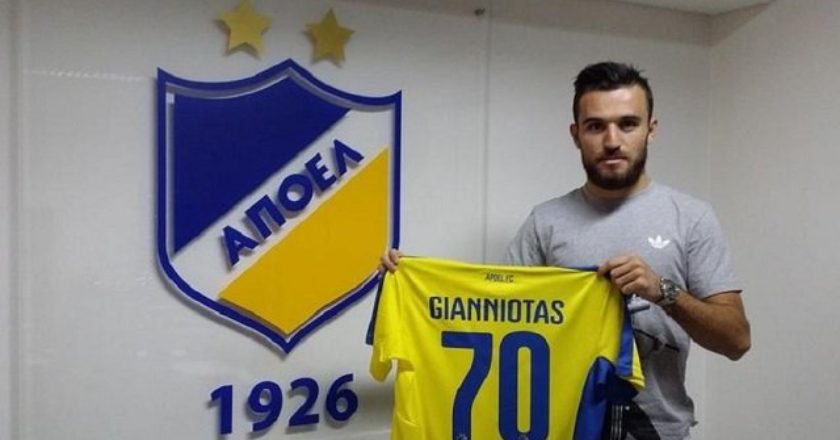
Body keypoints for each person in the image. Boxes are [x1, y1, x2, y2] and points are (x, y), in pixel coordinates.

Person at [381, 61, 750, 440]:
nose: (612, 140)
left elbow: (736, 340)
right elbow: (492, 317)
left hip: (660, 431)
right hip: (562, 429)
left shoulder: (691, 218)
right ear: (576, 134)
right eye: (595, 126)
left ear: (650, 130)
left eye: (627, 124)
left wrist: (663, 291)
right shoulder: (546, 223)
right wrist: (417, 281)